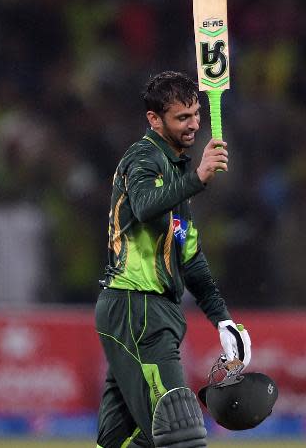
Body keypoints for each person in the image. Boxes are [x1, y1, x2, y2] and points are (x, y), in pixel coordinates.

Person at [95, 71, 251, 448]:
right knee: (179, 431)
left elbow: (190, 256)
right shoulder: (144, 158)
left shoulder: (176, 171)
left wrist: (223, 320)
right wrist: (199, 176)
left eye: (196, 114)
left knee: (126, 439)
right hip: (136, 306)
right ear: (154, 119)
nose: (194, 124)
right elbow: (146, 206)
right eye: (182, 117)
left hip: (149, 312)